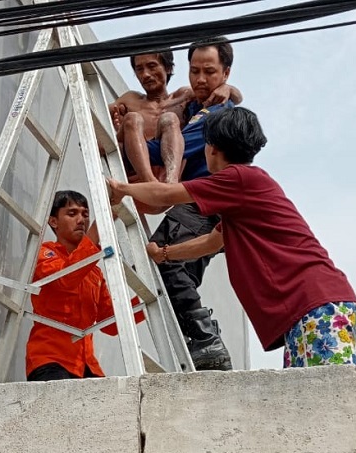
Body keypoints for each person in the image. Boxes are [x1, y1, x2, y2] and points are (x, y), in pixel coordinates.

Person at [108, 107, 356, 368]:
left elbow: (165, 194)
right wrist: (165, 254)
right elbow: (210, 243)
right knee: (310, 398)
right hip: (310, 308)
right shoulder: (243, 198)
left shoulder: (238, 179)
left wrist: (121, 188)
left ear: (212, 148)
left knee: (327, 395)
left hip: (314, 303)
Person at [138, 37, 240, 371]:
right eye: (194, 71)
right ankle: (203, 350)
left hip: (204, 203)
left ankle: (207, 339)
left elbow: (158, 153)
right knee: (176, 276)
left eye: (209, 72)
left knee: (161, 255)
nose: (200, 79)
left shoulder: (215, 116)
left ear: (225, 72)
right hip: (203, 206)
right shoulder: (196, 108)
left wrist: (133, 138)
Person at [26, 190, 144, 381]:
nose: (81, 220)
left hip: (87, 364)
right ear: (53, 221)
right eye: (72, 214)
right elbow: (65, 278)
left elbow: (110, 325)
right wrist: (98, 229)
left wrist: (146, 301)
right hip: (50, 359)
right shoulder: (44, 253)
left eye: (85, 214)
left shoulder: (94, 272)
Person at [109, 51, 242, 188]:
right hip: (132, 173)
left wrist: (228, 88)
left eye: (152, 66)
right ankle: (150, 183)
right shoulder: (130, 99)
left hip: (168, 173)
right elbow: (93, 120)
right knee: (133, 118)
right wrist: (119, 132)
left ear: (168, 68)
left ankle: (170, 184)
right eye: (139, 69)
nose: (146, 74)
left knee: (170, 119)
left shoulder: (184, 96)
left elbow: (222, 96)